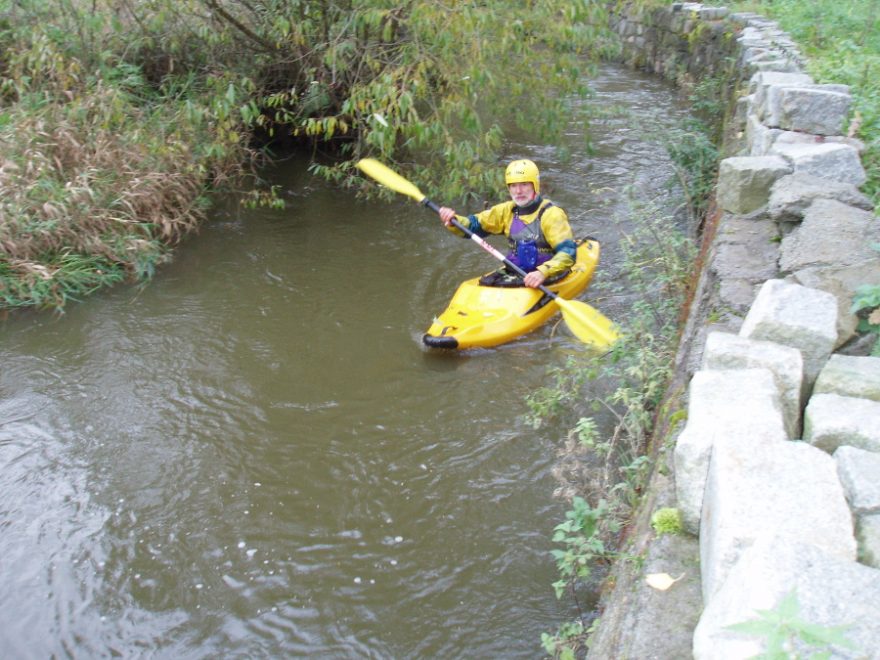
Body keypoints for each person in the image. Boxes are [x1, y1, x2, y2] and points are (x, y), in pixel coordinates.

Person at [437, 159, 577, 289]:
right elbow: (473, 225)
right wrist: (454, 221)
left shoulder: (552, 214)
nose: (518, 191)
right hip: (515, 271)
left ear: (535, 186)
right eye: (513, 186)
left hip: (548, 275)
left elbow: (568, 253)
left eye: (524, 184)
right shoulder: (506, 211)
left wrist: (543, 272)